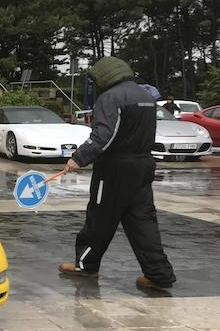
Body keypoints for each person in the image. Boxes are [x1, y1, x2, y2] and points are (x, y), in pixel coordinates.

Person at [57, 56, 176, 291]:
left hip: (114, 168)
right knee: (143, 220)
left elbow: (103, 135)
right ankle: (159, 274)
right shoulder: (146, 97)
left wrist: (78, 158)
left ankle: (86, 265)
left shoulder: (110, 98)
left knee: (100, 217)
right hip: (143, 165)